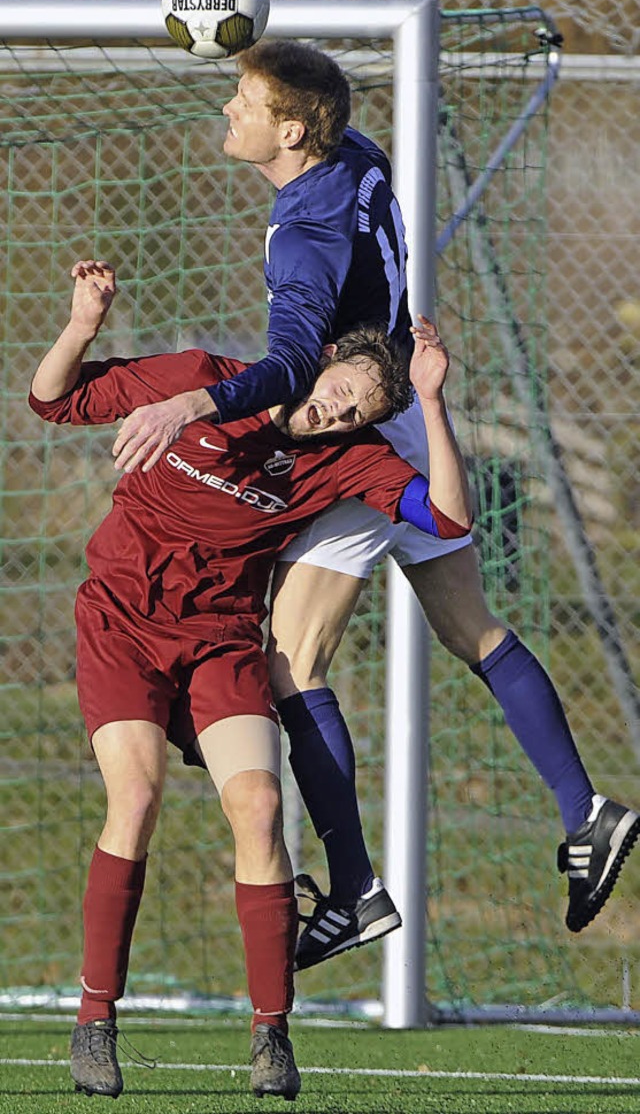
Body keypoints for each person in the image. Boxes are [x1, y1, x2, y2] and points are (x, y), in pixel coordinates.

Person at [107, 40, 640, 965]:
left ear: (291, 130)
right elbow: (323, 124)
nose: (227, 108)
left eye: (244, 96)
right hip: (401, 408)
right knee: (472, 626)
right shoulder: (358, 154)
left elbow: (283, 365)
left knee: (291, 657)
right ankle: (585, 808)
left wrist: (194, 399)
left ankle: (354, 889)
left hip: (361, 439)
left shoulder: (302, 240)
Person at [29, 259, 473, 1098]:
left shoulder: (347, 461)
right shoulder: (203, 380)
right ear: (321, 358)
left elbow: (449, 515)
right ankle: (94, 1019)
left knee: (262, 808)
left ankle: (272, 1035)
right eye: (340, 387)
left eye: (357, 412)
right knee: (137, 796)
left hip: (220, 642)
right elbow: (52, 400)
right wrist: (82, 324)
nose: (336, 409)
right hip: (123, 622)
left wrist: (433, 402)